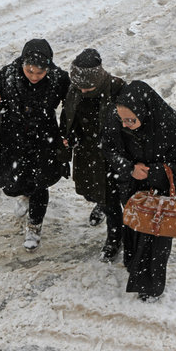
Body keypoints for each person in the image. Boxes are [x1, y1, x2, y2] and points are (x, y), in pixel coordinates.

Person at [103, 80, 176, 301]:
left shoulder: (172, 125)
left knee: (156, 238)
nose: (124, 125)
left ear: (144, 112)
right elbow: (108, 148)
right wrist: (129, 168)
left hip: (160, 194)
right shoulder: (117, 118)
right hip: (133, 189)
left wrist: (153, 173)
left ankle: (150, 287)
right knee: (134, 229)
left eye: (130, 120)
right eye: (121, 119)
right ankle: (133, 267)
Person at [0, 39, 70, 250]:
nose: (34, 76)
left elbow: (71, 107)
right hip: (13, 139)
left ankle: (35, 225)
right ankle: (24, 194)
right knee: (14, 182)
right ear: (23, 63)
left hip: (44, 139)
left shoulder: (59, 79)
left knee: (40, 183)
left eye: (40, 73)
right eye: (30, 71)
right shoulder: (8, 74)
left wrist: (67, 134)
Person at [61, 48, 126, 262]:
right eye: (79, 86)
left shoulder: (116, 87)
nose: (83, 90)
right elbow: (68, 112)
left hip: (110, 154)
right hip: (86, 150)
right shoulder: (75, 88)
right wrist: (68, 135)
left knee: (112, 197)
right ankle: (101, 203)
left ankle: (115, 239)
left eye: (87, 86)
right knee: (91, 189)